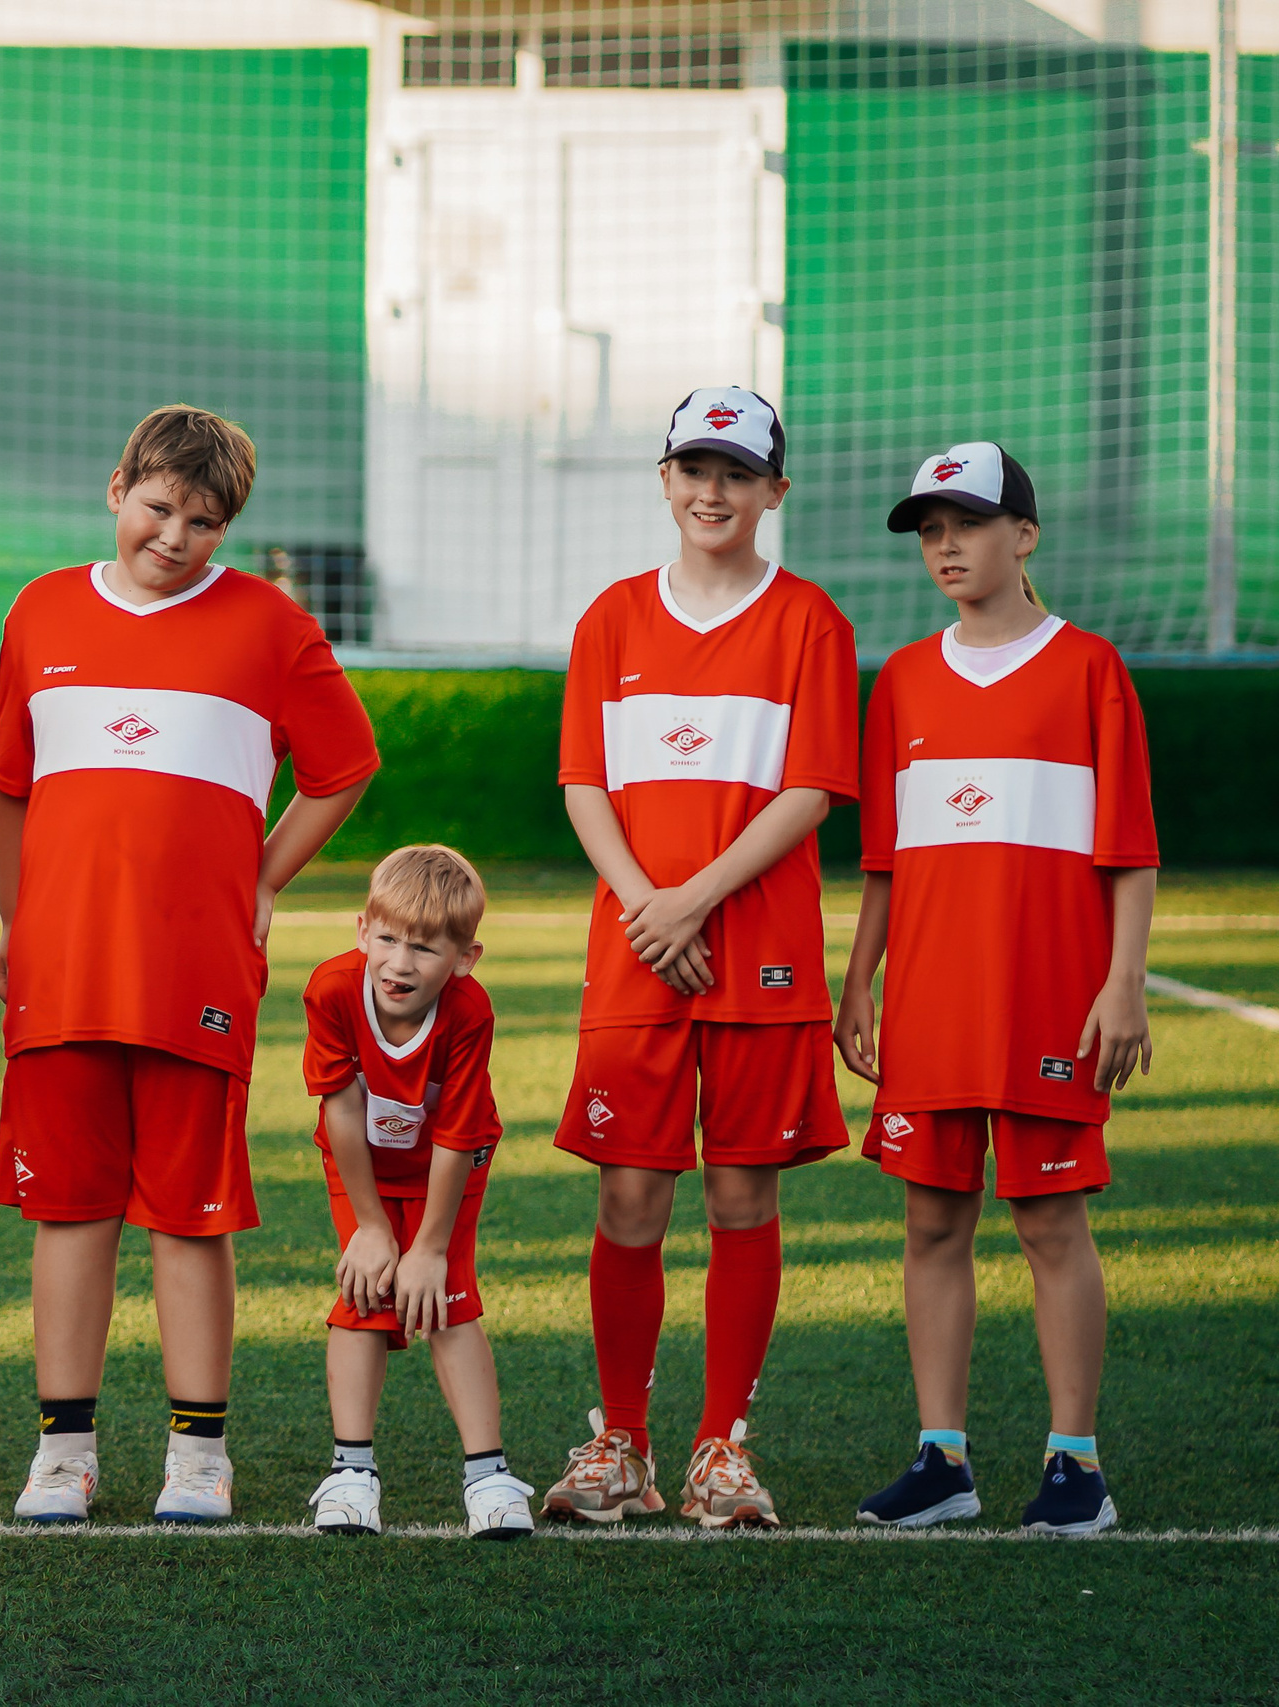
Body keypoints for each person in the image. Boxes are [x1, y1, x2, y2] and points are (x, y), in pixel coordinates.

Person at [0, 404, 378, 1524]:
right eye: (159, 508)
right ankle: (63, 1449)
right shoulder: (42, 611)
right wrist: (17, 923)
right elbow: (7, 782)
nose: (174, 537)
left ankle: (198, 1453)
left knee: (191, 1212)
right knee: (69, 1209)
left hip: (195, 966)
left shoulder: (267, 625)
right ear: (118, 489)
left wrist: (258, 880)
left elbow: (343, 767)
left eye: (203, 523)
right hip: (61, 966)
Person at [546, 386, 858, 1528]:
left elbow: (812, 789)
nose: (712, 492)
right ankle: (619, 1443)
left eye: (737, 473)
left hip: (755, 950)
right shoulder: (612, 619)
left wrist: (691, 903)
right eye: (694, 469)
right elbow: (585, 782)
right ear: (664, 481)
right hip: (637, 947)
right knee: (629, 1194)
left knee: (738, 1193)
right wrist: (646, 909)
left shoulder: (809, 622)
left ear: (774, 490)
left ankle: (720, 1445)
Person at [838, 444, 1154, 1536]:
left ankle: (1075, 1465)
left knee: (1048, 1223)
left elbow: (1128, 849)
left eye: (965, 525)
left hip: (1048, 1000)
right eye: (929, 531)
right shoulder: (905, 681)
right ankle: (942, 1457)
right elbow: (885, 858)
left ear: (1023, 536)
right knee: (932, 1222)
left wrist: (1123, 984)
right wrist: (857, 981)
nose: (945, 548)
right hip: (929, 1002)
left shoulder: (1088, 669)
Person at [301, 845, 535, 1540]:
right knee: (364, 1289)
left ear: (465, 957)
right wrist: (372, 1228)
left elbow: (458, 1134)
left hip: (449, 1164)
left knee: (446, 1296)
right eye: (388, 938)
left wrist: (429, 1246)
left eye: (425, 948)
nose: (400, 963)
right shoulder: (332, 989)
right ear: (361, 928)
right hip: (361, 1166)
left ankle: (488, 1477)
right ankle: (351, 1474)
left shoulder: (470, 1011)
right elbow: (341, 1110)